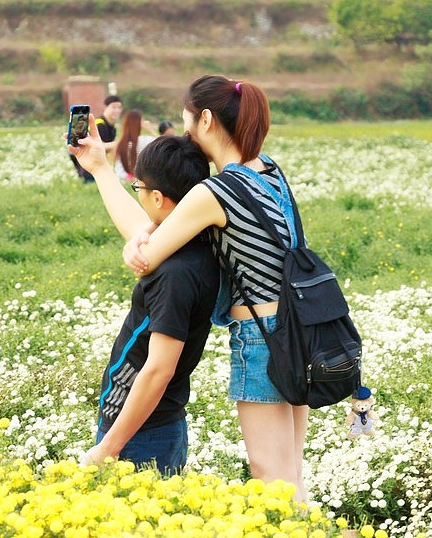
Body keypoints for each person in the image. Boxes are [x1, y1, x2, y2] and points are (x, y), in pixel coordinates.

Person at [121, 75, 310, 502]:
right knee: (292, 471)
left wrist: (139, 239)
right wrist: (152, 225)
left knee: (272, 475)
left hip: (262, 339)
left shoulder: (216, 190)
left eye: (187, 124)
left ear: (205, 119)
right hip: (301, 330)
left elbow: (147, 260)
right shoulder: (271, 171)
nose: (186, 135)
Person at [69, 122, 218, 475]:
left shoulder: (175, 273)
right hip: (148, 426)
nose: (137, 192)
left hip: (143, 433)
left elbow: (158, 370)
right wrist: (101, 168)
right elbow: (139, 226)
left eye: (138, 186)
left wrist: (108, 447)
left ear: (157, 198)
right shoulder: (190, 245)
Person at [80, 95, 123, 183]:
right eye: (114, 107)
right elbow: (98, 146)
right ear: (105, 107)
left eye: (119, 107)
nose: (117, 110)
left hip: (98, 163)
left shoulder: (112, 127)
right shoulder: (99, 124)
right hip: (89, 163)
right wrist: (118, 143)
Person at [114, 109, 157, 182]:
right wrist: (150, 130)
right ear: (140, 123)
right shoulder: (146, 140)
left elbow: (118, 168)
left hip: (122, 181)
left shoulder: (120, 143)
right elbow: (164, 145)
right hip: (141, 182)